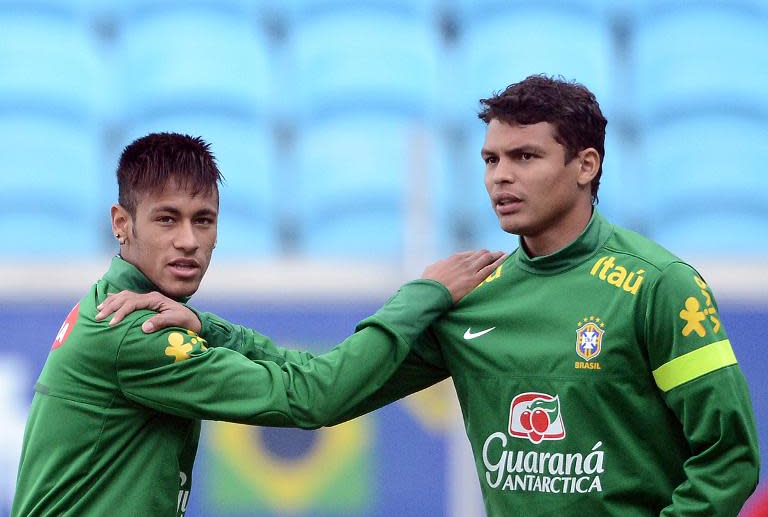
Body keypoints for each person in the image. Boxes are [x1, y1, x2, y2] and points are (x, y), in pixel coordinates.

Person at [102, 76, 760, 516]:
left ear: (585, 165)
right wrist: (210, 328)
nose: (500, 176)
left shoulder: (660, 286)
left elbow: (728, 459)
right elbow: (322, 386)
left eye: (524, 157)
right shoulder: (474, 297)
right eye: (490, 159)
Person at [11, 132, 505, 517]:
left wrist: (210, 328)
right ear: (122, 222)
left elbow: (308, 371)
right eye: (167, 219)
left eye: (203, 220)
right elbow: (314, 396)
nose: (189, 240)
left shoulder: (128, 306)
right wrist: (424, 295)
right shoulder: (135, 333)